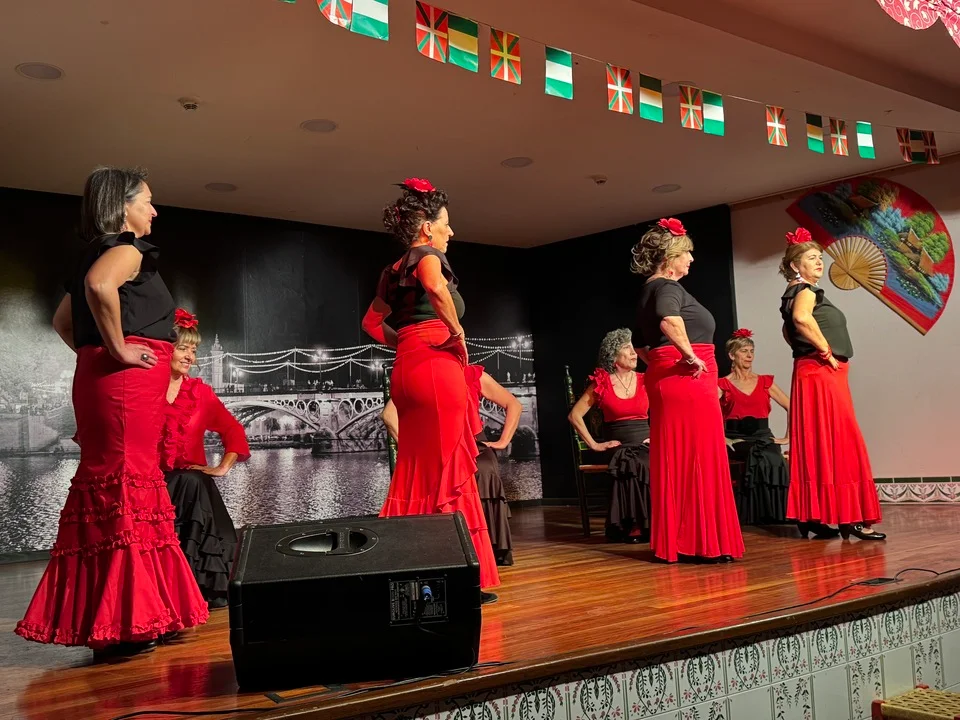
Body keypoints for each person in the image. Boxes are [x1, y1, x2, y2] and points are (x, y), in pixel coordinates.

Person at [16, 167, 208, 658]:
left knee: (120, 487)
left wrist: (99, 353)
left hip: (108, 382)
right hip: (126, 386)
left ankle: (137, 613)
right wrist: (119, 350)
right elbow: (101, 286)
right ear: (123, 207)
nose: (154, 210)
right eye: (147, 201)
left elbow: (63, 321)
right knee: (127, 486)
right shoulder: (126, 249)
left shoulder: (93, 252)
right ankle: (128, 622)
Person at [361, 177, 500, 600]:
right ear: (426, 228)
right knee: (449, 469)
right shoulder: (427, 256)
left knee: (416, 471)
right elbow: (437, 287)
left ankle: (412, 572)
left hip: (408, 370)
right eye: (446, 223)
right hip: (437, 368)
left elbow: (370, 323)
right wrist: (457, 333)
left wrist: (408, 342)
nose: (451, 232)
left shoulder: (391, 272)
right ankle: (459, 577)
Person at [632, 217, 745, 563]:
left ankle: (684, 540)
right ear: (670, 258)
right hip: (688, 379)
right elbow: (669, 320)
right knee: (699, 454)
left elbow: (639, 344)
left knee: (680, 457)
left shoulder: (649, 289)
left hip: (671, 378)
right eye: (687, 254)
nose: (692, 259)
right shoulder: (667, 288)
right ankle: (702, 541)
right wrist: (690, 356)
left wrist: (663, 362)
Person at [779, 227, 884, 541]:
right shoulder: (806, 291)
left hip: (812, 371)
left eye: (820, 258)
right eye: (812, 258)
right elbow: (800, 319)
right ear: (796, 265)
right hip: (822, 371)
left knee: (820, 441)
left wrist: (808, 350)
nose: (819, 262)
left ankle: (815, 515)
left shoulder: (792, 292)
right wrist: (824, 350)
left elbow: (788, 330)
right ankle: (852, 517)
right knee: (842, 440)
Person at [382, 363, 520, 565]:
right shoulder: (421, 376)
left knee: (482, 470)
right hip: (440, 450)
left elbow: (513, 404)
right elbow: (388, 415)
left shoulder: (471, 374)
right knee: (463, 473)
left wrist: (503, 441)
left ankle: (481, 551)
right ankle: (459, 549)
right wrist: (414, 451)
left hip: (473, 446)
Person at [160, 309, 250, 609]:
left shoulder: (201, 394)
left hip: (190, 486)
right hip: (153, 484)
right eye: (183, 349)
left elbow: (233, 430)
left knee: (194, 481)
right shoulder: (142, 392)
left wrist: (223, 466)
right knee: (193, 482)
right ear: (164, 350)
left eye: (194, 350)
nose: (190, 357)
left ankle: (194, 588)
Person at [568, 329, 651, 543]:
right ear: (613, 356)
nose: (634, 353)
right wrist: (594, 445)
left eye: (634, 348)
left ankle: (652, 524)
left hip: (646, 442)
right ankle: (633, 525)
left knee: (645, 460)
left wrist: (657, 437)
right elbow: (575, 415)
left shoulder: (646, 380)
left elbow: (665, 410)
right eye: (627, 348)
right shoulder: (602, 383)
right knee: (629, 461)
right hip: (618, 444)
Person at [718, 328, 791, 525]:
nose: (749, 355)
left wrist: (788, 437)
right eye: (744, 351)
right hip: (735, 438)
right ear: (732, 355)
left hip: (763, 435)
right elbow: (706, 415)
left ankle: (776, 513)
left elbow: (791, 406)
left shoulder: (765, 382)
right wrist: (722, 438)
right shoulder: (722, 384)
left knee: (773, 457)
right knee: (754, 453)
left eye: (751, 351)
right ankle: (751, 514)